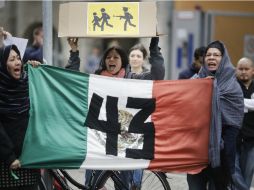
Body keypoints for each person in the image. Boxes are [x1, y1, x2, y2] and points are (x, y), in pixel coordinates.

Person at [66, 37, 164, 189]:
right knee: (92, 185)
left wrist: (154, 44)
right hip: (99, 140)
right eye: (108, 57)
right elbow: (71, 80)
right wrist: (74, 52)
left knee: (126, 186)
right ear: (104, 61)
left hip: (124, 140)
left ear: (122, 61)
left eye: (116, 57)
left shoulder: (132, 79)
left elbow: (157, 75)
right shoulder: (95, 78)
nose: (111, 60)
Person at [187, 41, 244, 190]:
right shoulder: (194, 82)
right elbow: (184, 107)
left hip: (221, 154)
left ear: (223, 59)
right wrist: (202, 89)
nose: (211, 58)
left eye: (216, 55)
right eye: (208, 55)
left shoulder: (233, 87)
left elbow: (234, 122)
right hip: (196, 149)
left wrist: (219, 146)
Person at [0, 44, 41, 190]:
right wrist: (9, 157)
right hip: (6, 165)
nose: (17, 62)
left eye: (18, 58)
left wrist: (38, 70)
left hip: (28, 161)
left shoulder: (28, 83)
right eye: (12, 59)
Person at [236, 57, 254, 189]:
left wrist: (242, 103)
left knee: (247, 175)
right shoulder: (232, 85)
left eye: (246, 69)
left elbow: (239, 104)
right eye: (240, 69)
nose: (243, 72)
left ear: (252, 70)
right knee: (234, 173)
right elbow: (234, 104)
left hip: (252, 140)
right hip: (234, 137)